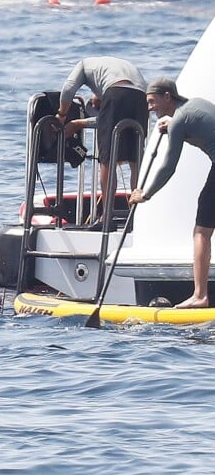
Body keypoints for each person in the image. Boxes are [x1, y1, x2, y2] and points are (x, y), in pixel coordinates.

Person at [130, 77, 215, 309]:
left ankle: (200, 295)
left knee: (202, 231)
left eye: (152, 101)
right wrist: (175, 125)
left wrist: (145, 194)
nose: (150, 108)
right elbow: (198, 123)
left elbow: (168, 167)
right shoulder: (196, 104)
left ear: (167, 96)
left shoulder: (179, 121)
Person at [57, 57, 148, 217]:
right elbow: (104, 121)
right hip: (142, 98)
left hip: (116, 94)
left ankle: (107, 215)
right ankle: (137, 214)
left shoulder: (84, 64)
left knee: (107, 159)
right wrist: (79, 123)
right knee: (136, 159)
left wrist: (62, 115)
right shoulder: (113, 67)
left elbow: (69, 89)